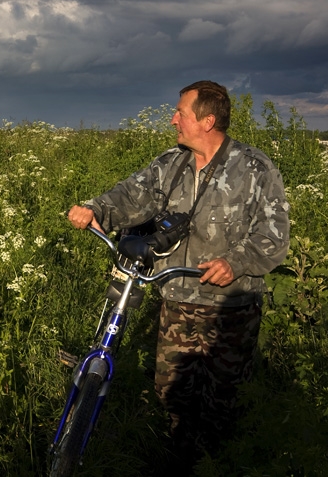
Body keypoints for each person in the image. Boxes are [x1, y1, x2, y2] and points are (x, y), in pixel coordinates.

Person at [67, 80, 290, 470]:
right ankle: (178, 461)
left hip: (230, 310)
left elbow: (273, 237)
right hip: (176, 301)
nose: (173, 120)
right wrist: (95, 209)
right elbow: (132, 196)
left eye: (180, 113)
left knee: (223, 399)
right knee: (171, 394)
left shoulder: (255, 168)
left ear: (207, 120)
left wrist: (235, 263)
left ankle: (220, 464)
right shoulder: (171, 163)